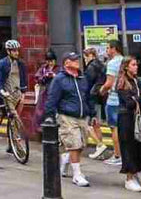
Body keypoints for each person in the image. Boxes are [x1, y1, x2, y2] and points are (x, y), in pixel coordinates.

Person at [44, 52, 93, 187]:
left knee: (81, 144)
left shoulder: (82, 78)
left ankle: (66, 158)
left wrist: (92, 113)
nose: (77, 61)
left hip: (82, 116)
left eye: (77, 59)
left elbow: (87, 97)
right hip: (67, 116)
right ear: (66, 63)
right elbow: (52, 98)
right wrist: (49, 116)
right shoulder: (59, 79)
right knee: (74, 144)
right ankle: (77, 175)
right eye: (74, 60)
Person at [116, 56, 141, 192]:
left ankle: (138, 169)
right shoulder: (122, 83)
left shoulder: (137, 81)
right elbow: (129, 103)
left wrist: (138, 99)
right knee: (129, 147)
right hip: (127, 118)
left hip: (140, 117)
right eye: (133, 64)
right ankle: (129, 178)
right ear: (126, 66)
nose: (136, 66)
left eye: (136, 64)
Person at [0, 39, 28, 154]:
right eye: (14, 51)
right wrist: (2, 92)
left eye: (17, 50)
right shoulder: (2, 64)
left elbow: (24, 80)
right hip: (7, 96)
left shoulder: (21, 64)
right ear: (8, 51)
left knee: (13, 120)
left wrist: (23, 95)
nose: (16, 53)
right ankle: (19, 148)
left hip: (18, 95)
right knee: (15, 120)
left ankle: (11, 145)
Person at [100, 39, 124, 167]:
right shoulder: (124, 60)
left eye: (108, 48)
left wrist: (101, 90)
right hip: (124, 100)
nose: (107, 51)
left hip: (114, 99)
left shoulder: (112, 63)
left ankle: (117, 155)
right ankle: (125, 154)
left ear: (114, 49)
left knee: (114, 128)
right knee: (124, 128)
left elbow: (109, 83)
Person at [83, 47, 110, 159]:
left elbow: (87, 84)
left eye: (85, 56)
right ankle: (100, 150)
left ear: (91, 55)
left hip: (92, 97)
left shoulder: (91, 67)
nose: (84, 59)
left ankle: (100, 146)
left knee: (88, 124)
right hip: (100, 96)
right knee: (96, 124)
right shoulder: (101, 65)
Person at [33, 50, 58, 130]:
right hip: (44, 92)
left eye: (52, 61)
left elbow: (62, 78)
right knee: (41, 110)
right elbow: (37, 78)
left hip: (55, 93)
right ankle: (41, 128)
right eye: (48, 61)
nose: (50, 63)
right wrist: (44, 76)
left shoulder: (58, 68)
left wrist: (55, 76)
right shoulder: (43, 68)